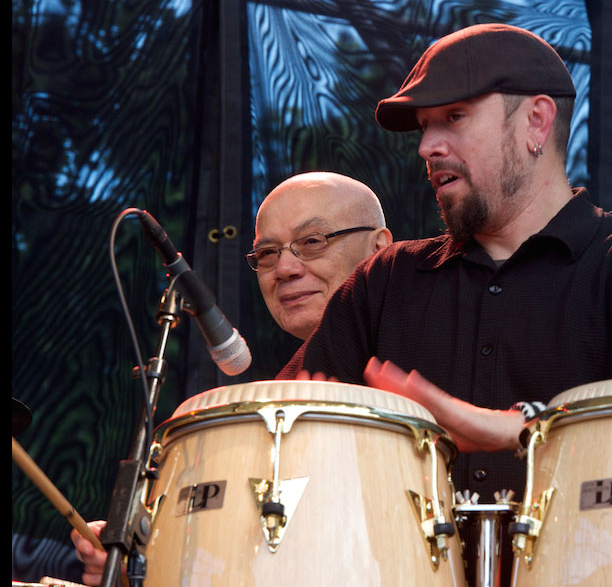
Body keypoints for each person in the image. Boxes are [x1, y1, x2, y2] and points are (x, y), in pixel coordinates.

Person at [278, 23, 612, 501]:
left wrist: (518, 430)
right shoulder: (385, 281)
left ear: (536, 122)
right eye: (425, 126)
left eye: (454, 117)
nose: (427, 147)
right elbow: (279, 435)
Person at [70, 171, 392, 585]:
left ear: (380, 248)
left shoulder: (426, 335)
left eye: (313, 241)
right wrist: (139, 562)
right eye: (267, 253)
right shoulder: (269, 407)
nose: (284, 268)